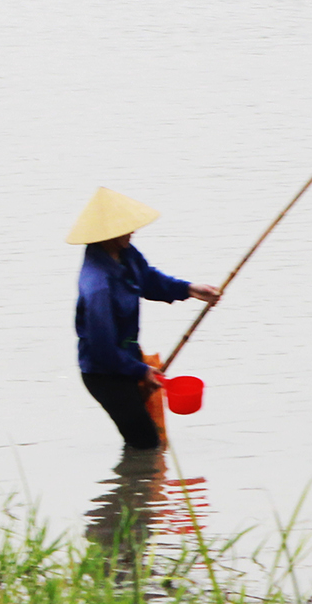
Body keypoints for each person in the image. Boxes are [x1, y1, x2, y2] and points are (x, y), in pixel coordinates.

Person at [69, 187, 221, 450]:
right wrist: (141, 371)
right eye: (126, 228)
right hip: (105, 373)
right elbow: (102, 347)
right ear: (108, 234)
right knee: (145, 441)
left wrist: (189, 289)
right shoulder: (98, 286)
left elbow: (148, 279)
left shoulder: (125, 255)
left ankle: (133, 487)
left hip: (127, 358)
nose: (132, 231)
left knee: (144, 440)